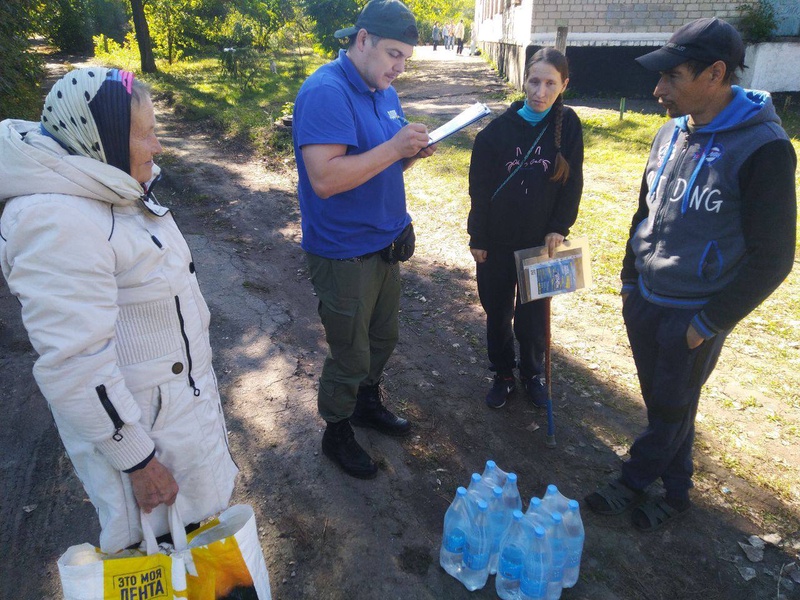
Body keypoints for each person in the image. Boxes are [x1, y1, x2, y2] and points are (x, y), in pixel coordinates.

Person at [0, 68, 238, 552]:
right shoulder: (56, 220)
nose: (158, 146)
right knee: (157, 560)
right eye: (146, 133)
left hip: (171, 413)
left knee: (194, 548)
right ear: (100, 135)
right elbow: (74, 364)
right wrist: (139, 462)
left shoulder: (101, 180)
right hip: (146, 441)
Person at [585, 18, 796, 531]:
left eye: (672, 77)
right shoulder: (669, 133)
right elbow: (645, 210)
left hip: (694, 312)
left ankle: (633, 481)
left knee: (671, 408)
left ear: (716, 74)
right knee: (668, 404)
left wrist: (708, 322)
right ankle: (678, 491)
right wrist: (629, 282)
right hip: (646, 299)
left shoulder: (765, 149)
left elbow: (775, 258)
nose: (657, 90)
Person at [292, 0, 436, 479]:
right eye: (393, 54)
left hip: (384, 243)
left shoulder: (383, 90)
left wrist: (410, 153)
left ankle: (366, 404)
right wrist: (394, 147)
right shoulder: (326, 92)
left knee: (381, 336)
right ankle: (336, 430)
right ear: (362, 40)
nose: (399, 67)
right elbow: (327, 180)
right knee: (349, 350)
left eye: (406, 60)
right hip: (343, 251)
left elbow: (381, 161)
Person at [468, 48, 584, 410]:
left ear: (564, 84)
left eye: (551, 83)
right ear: (524, 80)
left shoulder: (569, 126)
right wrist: (479, 238)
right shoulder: (496, 133)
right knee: (498, 313)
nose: (540, 91)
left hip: (540, 246)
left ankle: (533, 373)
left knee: (534, 317)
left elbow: (573, 182)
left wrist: (558, 228)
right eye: (534, 81)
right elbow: (479, 190)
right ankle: (503, 373)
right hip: (497, 244)